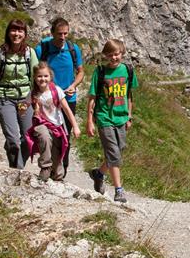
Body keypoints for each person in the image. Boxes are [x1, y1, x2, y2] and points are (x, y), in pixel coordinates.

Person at [0, 19, 38, 169]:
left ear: (25, 34)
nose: (16, 34)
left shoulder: (29, 53)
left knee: (29, 137)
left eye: (20, 31)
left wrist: (38, 99)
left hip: (25, 99)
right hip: (4, 98)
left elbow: (37, 78)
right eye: (13, 30)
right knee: (13, 139)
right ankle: (17, 170)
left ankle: (16, 161)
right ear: (8, 33)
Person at [86, 38, 138, 203]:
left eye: (117, 54)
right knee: (114, 154)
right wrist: (90, 121)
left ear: (122, 53)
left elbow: (128, 95)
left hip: (121, 117)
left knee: (118, 150)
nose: (114, 58)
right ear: (105, 56)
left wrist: (129, 116)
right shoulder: (100, 72)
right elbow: (92, 97)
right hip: (104, 118)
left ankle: (99, 173)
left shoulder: (128, 70)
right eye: (110, 55)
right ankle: (119, 190)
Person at [35, 18, 84, 173]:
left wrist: (73, 85)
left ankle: (62, 169)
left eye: (65, 33)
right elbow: (35, 72)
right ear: (52, 33)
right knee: (47, 133)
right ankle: (48, 166)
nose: (63, 37)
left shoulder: (73, 49)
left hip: (68, 98)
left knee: (65, 135)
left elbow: (81, 72)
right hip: (48, 99)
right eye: (59, 33)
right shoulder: (42, 49)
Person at [25, 61, 80, 181]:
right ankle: (45, 167)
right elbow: (24, 106)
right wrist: (22, 108)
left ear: (50, 76)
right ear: (34, 78)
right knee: (43, 135)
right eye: (39, 76)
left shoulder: (56, 90)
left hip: (56, 128)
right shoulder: (33, 93)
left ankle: (56, 175)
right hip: (42, 125)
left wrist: (75, 126)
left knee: (58, 169)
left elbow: (67, 109)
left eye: (45, 76)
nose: (42, 79)